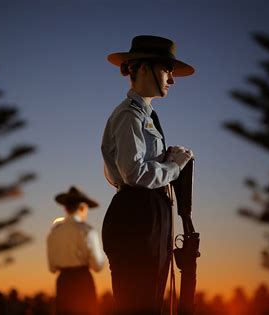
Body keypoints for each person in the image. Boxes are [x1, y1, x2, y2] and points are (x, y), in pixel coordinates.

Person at [101, 35, 195, 314]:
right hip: (137, 216)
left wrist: (166, 159)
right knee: (140, 303)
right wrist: (174, 167)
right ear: (142, 69)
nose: (172, 79)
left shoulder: (144, 115)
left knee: (152, 301)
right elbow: (133, 173)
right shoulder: (129, 115)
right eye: (167, 69)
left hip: (146, 212)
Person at [47, 186, 105, 315]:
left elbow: (52, 268)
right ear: (82, 208)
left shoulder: (54, 233)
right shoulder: (87, 231)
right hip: (82, 282)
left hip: (63, 283)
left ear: (65, 208)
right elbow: (97, 265)